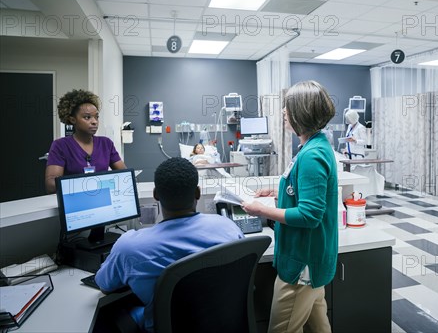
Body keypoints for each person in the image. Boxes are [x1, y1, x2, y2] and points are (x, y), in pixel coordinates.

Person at [95, 157, 244, 333]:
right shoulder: (228, 228)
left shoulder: (129, 248)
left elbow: (104, 285)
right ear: (197, 193)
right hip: (223, 324)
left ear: (155, 194)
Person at [241, 80, 338, 333]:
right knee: (319, 326)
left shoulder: (312, 155)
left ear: (302, 112)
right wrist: (278, 194)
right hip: (310, 261)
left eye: (287, 107)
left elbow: (309, 215)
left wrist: (260, 209)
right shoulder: (313, 146)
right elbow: (305, 195)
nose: (283, 112)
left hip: (302, 265)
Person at [45, 89, 126, 194]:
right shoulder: (61, 145)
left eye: (96, 117)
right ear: (73, 120)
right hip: (76, 202)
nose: (94, 122)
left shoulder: (106, 143)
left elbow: (124, 175)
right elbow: (51, 185)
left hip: (103, 200)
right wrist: (90, 184)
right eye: (87, 117)